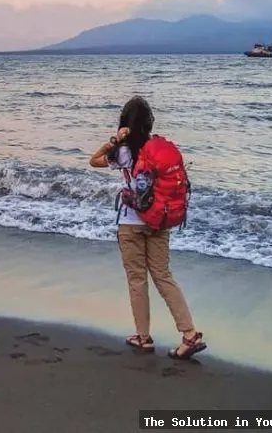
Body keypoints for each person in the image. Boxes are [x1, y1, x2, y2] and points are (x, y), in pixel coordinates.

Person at [89, 95, 207, 359]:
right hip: (159, 220)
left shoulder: (123, 151)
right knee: (163, 276)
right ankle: (189, 335)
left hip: (131, 223)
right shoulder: (158, 149)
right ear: (149, 122)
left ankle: (143, 338)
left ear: (126, 123)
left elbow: (93, 160)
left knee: (137, 279)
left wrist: (115, 139)